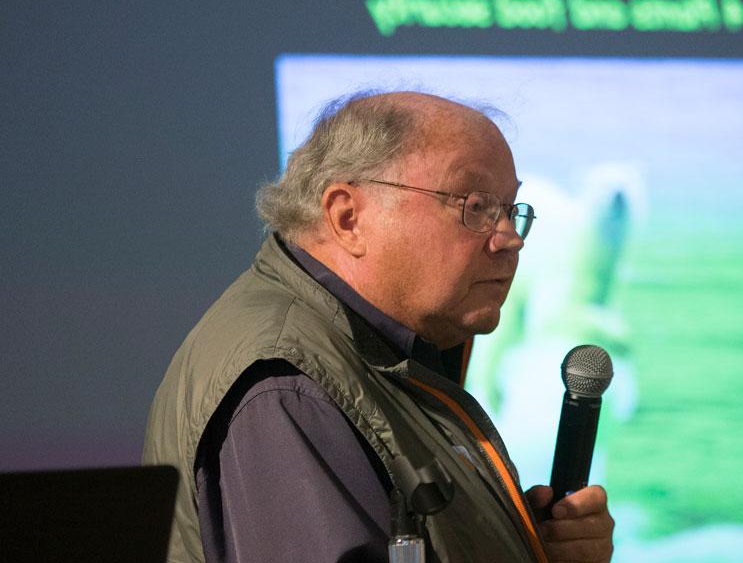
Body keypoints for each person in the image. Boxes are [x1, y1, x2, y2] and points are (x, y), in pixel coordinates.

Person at [143, 91, 615, 563]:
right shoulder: (287, 388)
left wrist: (535, 551)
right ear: (348, 218)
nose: (510, 238)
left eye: (512, 210)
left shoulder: (370, 351)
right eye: (475, 206)